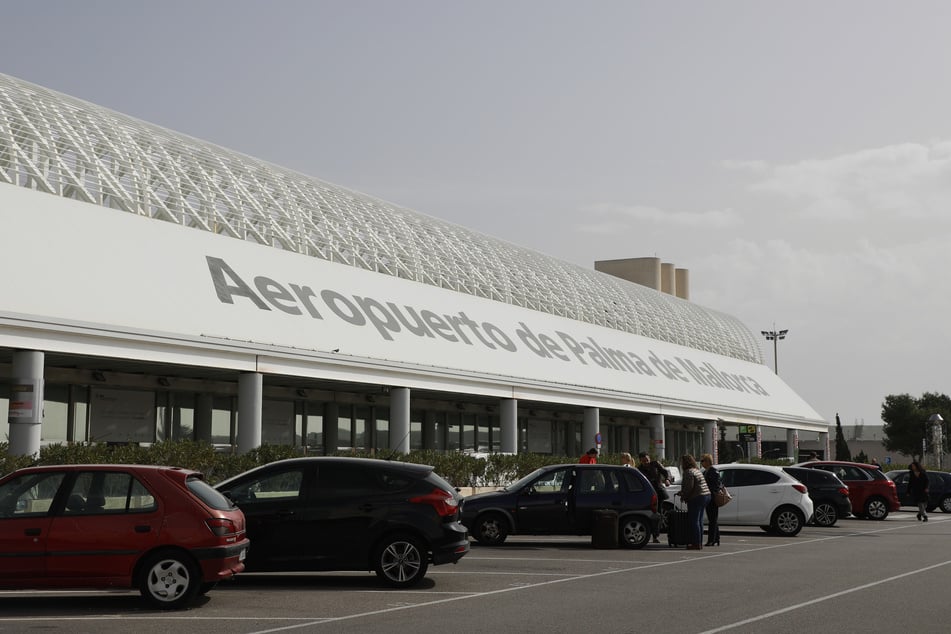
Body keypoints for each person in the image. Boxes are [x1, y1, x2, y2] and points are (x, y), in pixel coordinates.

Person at [675, 454, 710, 550]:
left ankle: (696, 543)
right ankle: (699, 542)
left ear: (685, 463)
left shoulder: (688, 472)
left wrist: (683, 496)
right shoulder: (697, 470)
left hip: (697, 497)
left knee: (694, 521)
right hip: (706, 496)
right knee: (699, 521)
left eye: (682, 462)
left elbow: (689, 487)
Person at [637, 452, 670, 543]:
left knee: (658, 514)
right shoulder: (639, 469)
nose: (646, 462)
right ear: (640, 461)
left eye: (647, 460)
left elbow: (665, 472)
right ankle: (649, 534)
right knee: (649, 514)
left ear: (649, 458)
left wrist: (667, 479)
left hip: (658, 492)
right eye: (643, 461)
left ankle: (655, 536)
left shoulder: (655, 464)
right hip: (648, 494)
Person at [700, 453, 721, 547]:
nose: (701, 463)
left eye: (702, 461)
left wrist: (710, 494)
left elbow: (715, 485)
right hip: (708, 498)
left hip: (712, 498)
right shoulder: (706, 471)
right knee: (712, 519)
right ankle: (716, 538)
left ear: (707, 461)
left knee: (712, 520)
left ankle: (711, 540)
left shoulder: (713, 471)